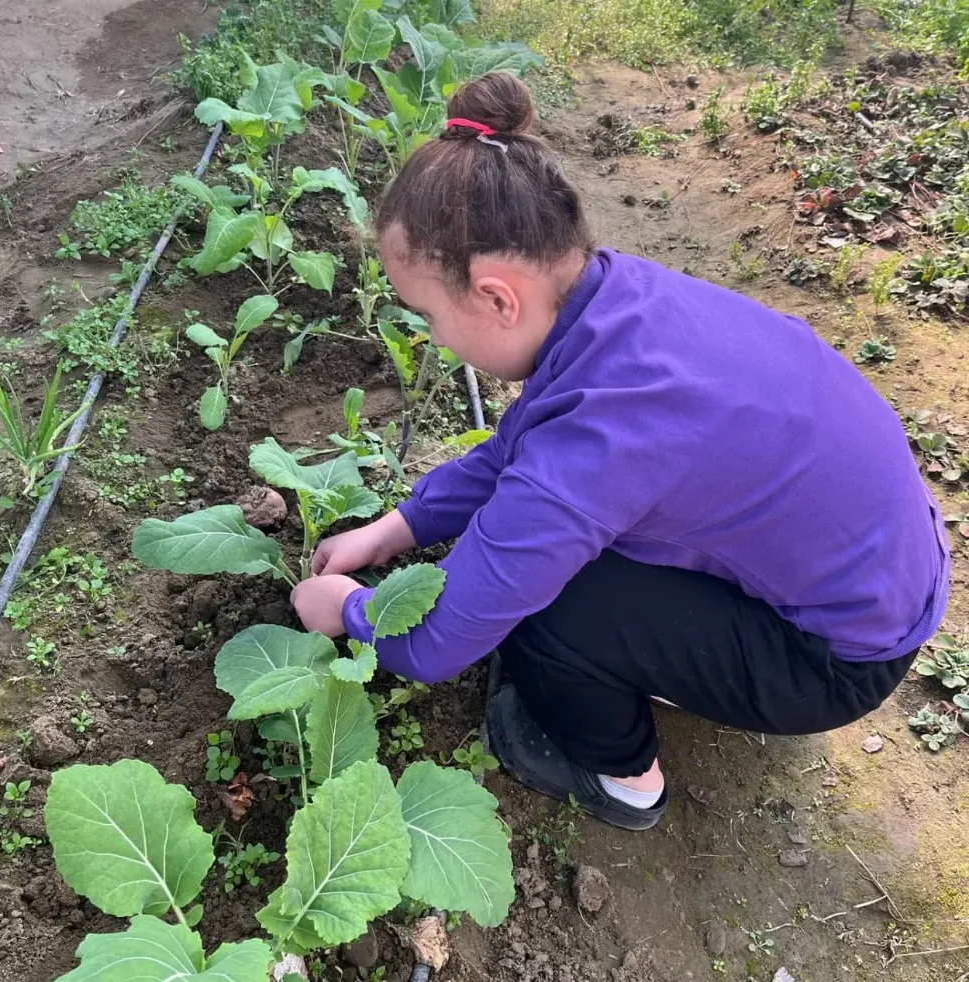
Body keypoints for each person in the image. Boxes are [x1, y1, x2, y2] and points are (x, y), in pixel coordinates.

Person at [290, 72, 950, 831]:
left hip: (838, 658)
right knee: (528, 556)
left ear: (499, 297)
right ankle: (668, 660)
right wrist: (396, 527)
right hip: (885, 573)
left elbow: (439, 642)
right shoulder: (615, 297)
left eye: (428, 314)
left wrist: (350, 612)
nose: (432, 338)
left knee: (543, 606)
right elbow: (516, 448)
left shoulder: (596, 444)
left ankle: (622, 776)